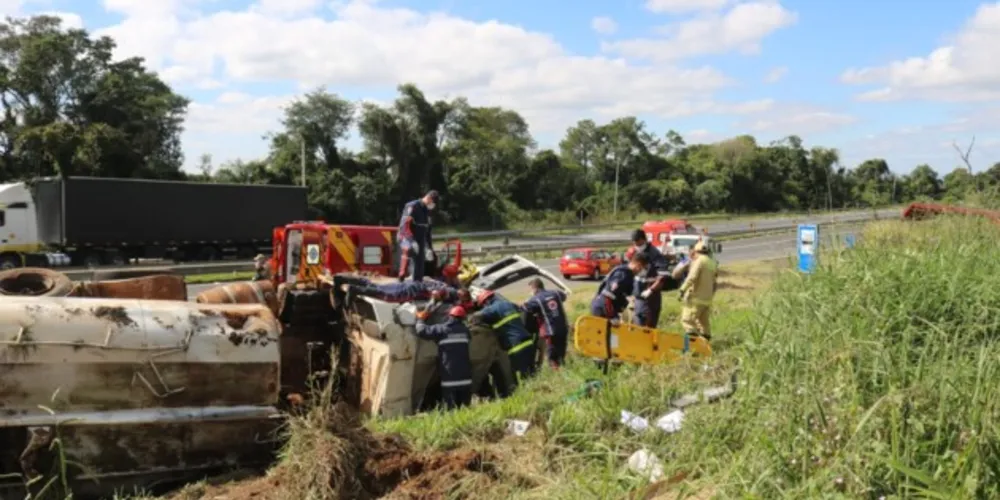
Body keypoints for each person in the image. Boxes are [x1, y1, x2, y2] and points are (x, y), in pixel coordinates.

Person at [470, 290, 536, 383]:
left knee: (523, 376)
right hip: (528, 342)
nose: (483, 306)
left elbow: (476, 316)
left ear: (486, 301)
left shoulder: (491, 309)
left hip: (516, 346)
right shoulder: (508, 304)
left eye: (483, 304)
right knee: (533, 373)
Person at [414, 305, 473, 410]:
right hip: (466, 377)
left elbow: (421, 331)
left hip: (450, 376)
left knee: (451, 408)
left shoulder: (442, 329)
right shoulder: (465, 331)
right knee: (465, 408)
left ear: (449, 316)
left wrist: (420, 320)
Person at [335, 264, 461, 304]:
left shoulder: (440, 282)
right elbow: (437, 294)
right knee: (385, 295)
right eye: (456, 276)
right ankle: (354, 289)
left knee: (378, 287)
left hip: (410, 284)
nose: (458, 279)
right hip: (413, 290)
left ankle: (343, 279)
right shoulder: (450, 291)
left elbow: (427, 280)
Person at [625, 229, 670, 329]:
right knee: (635, 325)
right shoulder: (634, 251)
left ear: (644, 240)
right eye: (634, 243)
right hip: (636, 295)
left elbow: (663, 276)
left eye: (638, 243)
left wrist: (651, 290)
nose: (636, 245)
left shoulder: (654, 254)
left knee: (648, 327)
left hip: (650, 298)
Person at [522, 278, 569, 368]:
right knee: (561, 352)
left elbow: (525, 309)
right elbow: (564, 297)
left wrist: (527, 301)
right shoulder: (556, 293)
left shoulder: (536, 299)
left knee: (552, 357)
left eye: (531, 289)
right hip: (563, 328)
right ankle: (563, 368)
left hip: (551, 331)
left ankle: (556, 373)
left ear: (535, 288)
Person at [678, 240, 719, 340]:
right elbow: (714, 283)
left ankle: (693, 345)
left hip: (696, 299)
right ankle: (705, 345)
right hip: (707, 300)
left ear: (696, 251)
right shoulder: (712, 262)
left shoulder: (699, 261)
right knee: (704, 325)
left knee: (687, 321)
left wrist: (682, 290)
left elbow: (692, 277)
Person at [398, 190, 440, 282]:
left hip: (420, 238)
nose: (432, 206)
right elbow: (405, 226)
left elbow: (427, 231)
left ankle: (417, 282)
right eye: (433, 203)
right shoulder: (412, 206)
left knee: (420, 261)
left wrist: (429, 248)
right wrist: (411, 240)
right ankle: (402, 276)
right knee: (410, 250)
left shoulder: (427, 211)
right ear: (429, 198)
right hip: (407, 237)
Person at [590, 254, 644, 320]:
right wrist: (613, 316)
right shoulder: (623, 273)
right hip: (605, 306)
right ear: (638, 265)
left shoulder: (625, 271)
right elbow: (612, 290)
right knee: (612, 325)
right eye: (641, 268)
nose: (640, 271)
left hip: (601, 304)